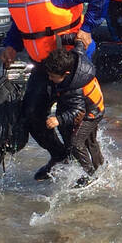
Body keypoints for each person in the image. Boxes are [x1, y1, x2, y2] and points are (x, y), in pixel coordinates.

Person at [0, 0, 111, 181]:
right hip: (43, 66)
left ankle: (94, 171)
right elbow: (22, 24)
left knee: (73, 122)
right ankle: (60, 156)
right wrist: (11, 45)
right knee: (31, 115)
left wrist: (88, 27)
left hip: (72, 65)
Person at [42, 45, 105, 187]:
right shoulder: (75, 59)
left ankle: (91, 175)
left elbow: (77, 111)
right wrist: (69, 38)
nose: (50, 78)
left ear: (67, 73)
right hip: (90, 106)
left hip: (92, 113)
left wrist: (58, 119)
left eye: (53, 76)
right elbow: (79, 46)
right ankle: (101, 168)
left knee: (77, 142)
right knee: (89, 142)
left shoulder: (74, 88)